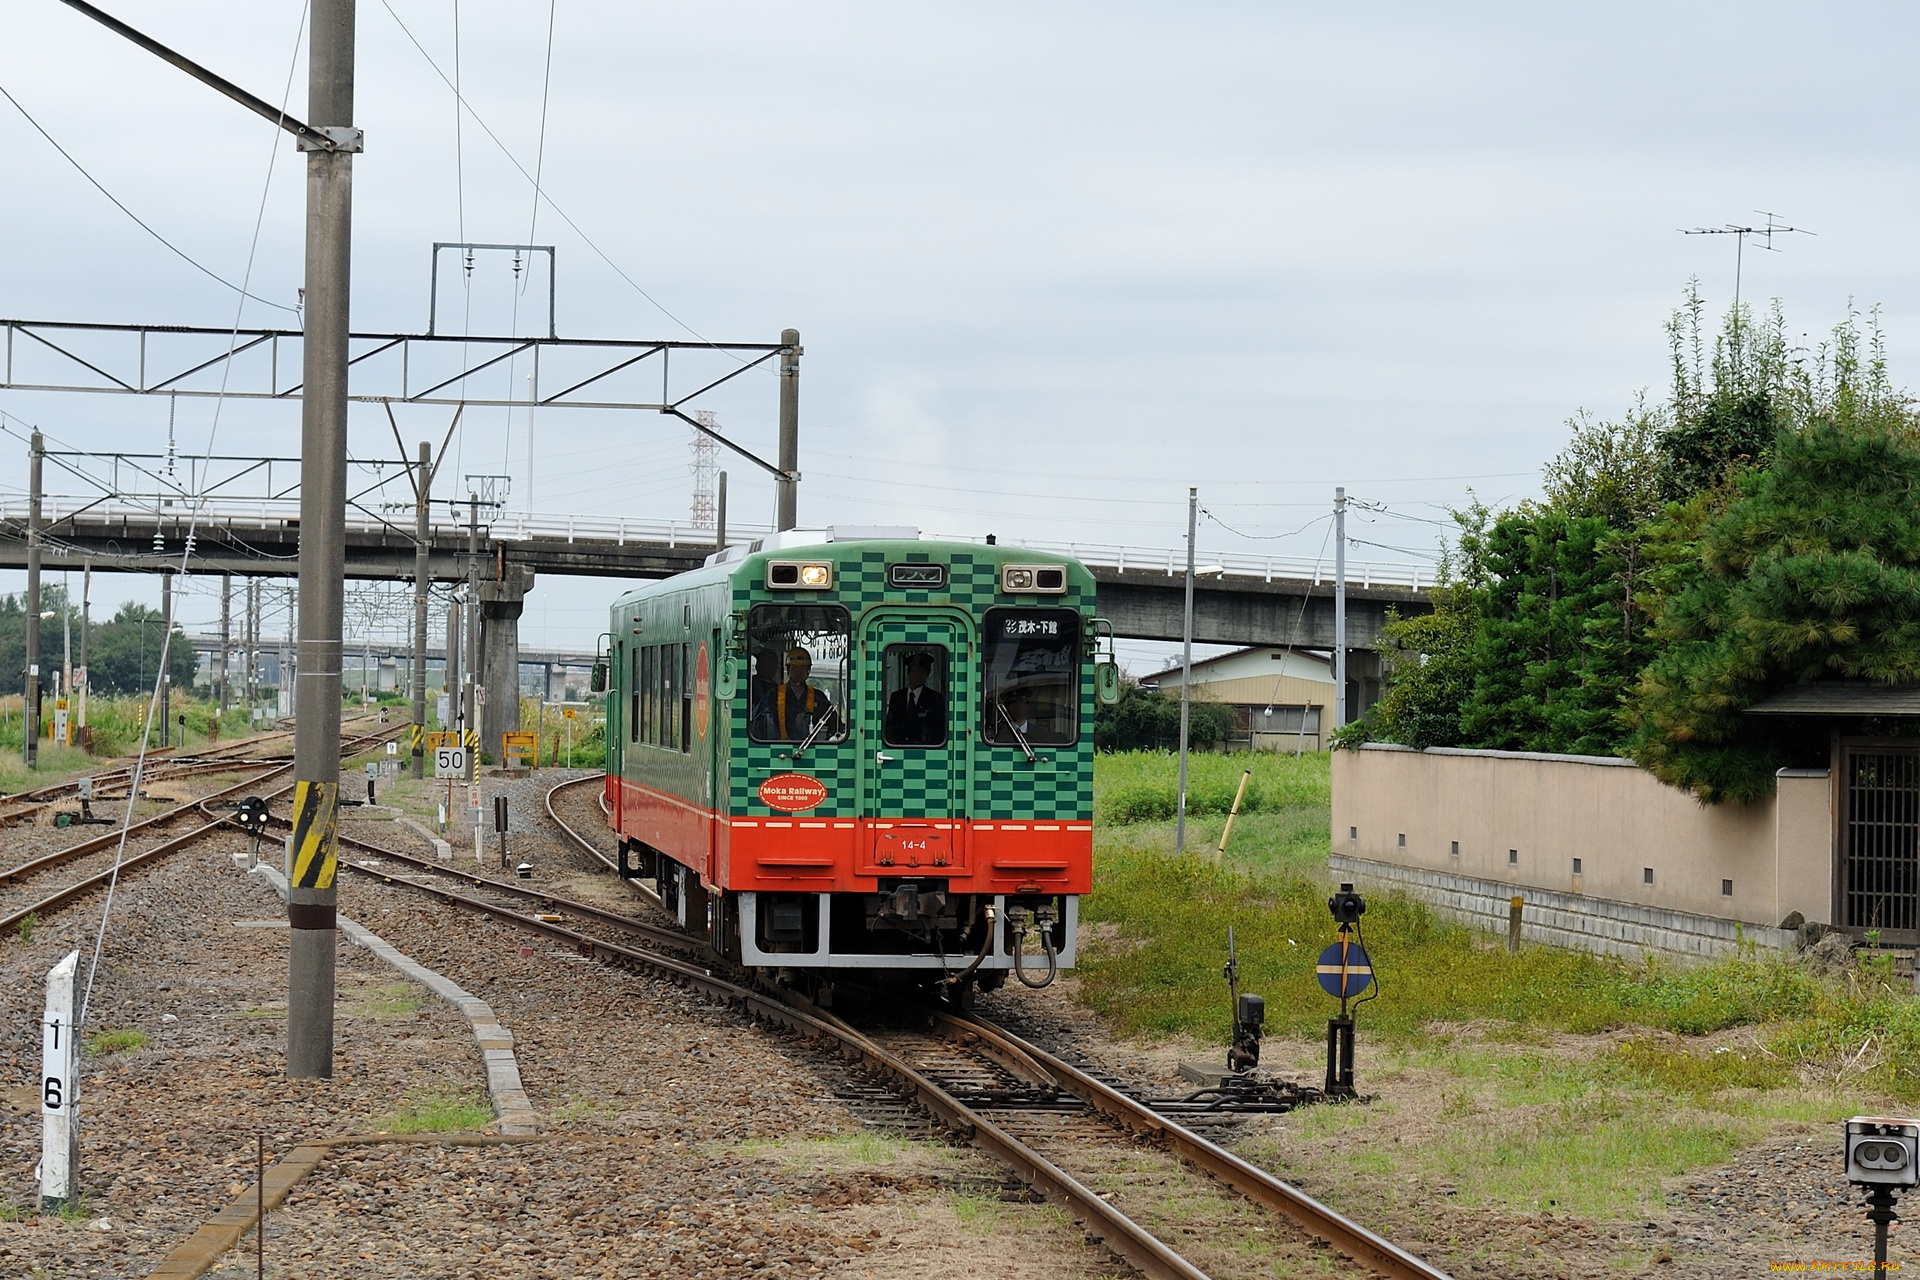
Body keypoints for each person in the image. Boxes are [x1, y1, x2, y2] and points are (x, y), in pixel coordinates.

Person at [766, 646, 835, 742]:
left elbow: (835, 725)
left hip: (810, 750)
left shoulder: (817, 697)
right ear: (788, 669)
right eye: (794, 667)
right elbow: (761, 724)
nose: (798, 671)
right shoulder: (774, 695)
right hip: (779, 749)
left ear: (808, 670)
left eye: (803, 668)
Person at [885, 651, 946, 745]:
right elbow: (889, 726)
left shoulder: (934, 699)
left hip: (925, 749)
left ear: (927, 674)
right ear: (908, 672)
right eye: (914, 671)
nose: (917, 675)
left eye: (921, 672)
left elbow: (939, 730)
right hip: (898, 748)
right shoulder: (896, 697)